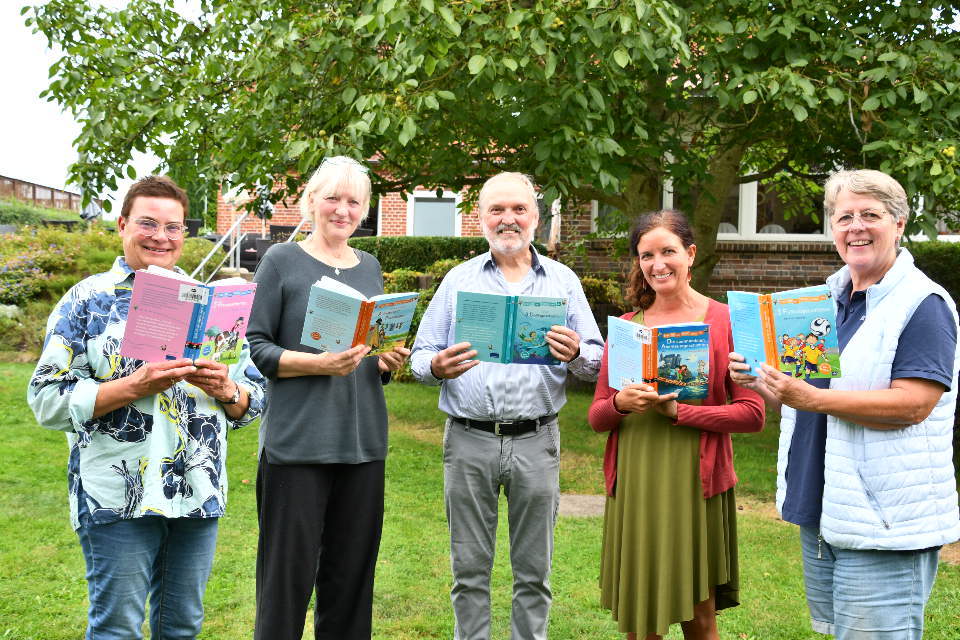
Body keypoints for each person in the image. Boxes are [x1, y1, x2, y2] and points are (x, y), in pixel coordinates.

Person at [27, 175, 265, 640]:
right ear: (122, 225)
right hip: (118, 492)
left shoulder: (210, 302)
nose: (161, 237)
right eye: (148, 224)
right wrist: (132, 386)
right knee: (117, 628)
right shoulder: (87, 300)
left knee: (182, 626)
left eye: (173, 227)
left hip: (196, 488)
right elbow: (45, 398)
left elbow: (253, 399)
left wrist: (226, 390)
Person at [729, 169, 959, 640]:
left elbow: (914, 404)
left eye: (870, 214)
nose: (856, 227)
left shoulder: (922, 304)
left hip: (884, 519)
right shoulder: (827, 300)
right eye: (844, 216)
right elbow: (808, 399)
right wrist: (763, 382)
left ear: (899, 223)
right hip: (826, 508)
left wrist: (811, 396)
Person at [409, 172, 603, 640]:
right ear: (480, 217)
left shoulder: (562, 280)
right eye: (496, 209)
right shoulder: (459, 280)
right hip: (469, 439)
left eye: (518, 209)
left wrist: (577, 353)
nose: (508, 219)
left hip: (537, 439)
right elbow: (419, 357)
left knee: (534, 574)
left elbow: (596, 360)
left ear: (535, 216)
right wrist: (436, 365)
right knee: (469, 572)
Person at [247, 156, 409, 640]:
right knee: (285, 586)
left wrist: (383, 361)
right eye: (333, 198)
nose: (343, 210)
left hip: (363, 445)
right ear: (311, 200)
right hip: (297, 445)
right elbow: (256, 347)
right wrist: (316, 364)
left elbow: (366, 350)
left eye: (354, 201)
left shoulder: (370, 266)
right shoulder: (281, 261)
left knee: (351, 586)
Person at [588, 210, 765, 640]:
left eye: (668, 251)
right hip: (636, 478)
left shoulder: (727, 321)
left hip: (694, 481)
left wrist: (681, 412)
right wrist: (620, 403)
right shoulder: (627, 327)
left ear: (690, 254)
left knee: (698, 615)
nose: (657, 264)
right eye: (646, 255)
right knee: (640, 617)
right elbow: (596, 417)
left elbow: (752, 414)